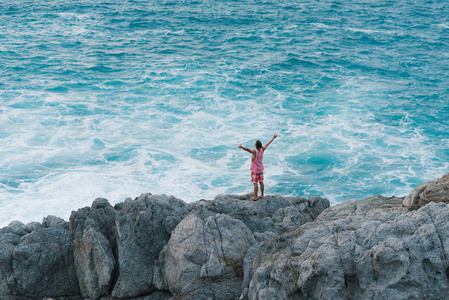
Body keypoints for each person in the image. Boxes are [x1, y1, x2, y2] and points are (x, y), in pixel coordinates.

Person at [238, 134, 277, 201]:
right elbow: (267, 143)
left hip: (255, 170)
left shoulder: (254, 151)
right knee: (261, 182)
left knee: (255, 183)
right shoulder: (262, 149)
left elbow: (247, 149)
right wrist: (273, 138)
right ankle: (262, 195)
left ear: (255, 145)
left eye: (255, 143)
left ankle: (255, 196)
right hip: (260, 169)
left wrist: (242, 147)